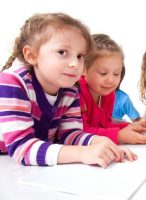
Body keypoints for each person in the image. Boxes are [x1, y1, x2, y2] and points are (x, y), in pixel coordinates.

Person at [0, 13, 136, 167]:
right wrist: (83, 153)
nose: (74, 63)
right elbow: (22, 148)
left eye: (80, 56)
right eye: (62, 52)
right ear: (31, 55)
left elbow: (69, 135)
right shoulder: (12, 83)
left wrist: (99, 142)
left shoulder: (70, 90)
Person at [79, 34, 146, 145]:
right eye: (103, 73)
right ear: (84, 69)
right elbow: (78, 133)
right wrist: (118, 136)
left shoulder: (108, 93)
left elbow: (104, 125)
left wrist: (132, 127)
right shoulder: (76, 93)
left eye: (116, 73)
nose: (111, 80)